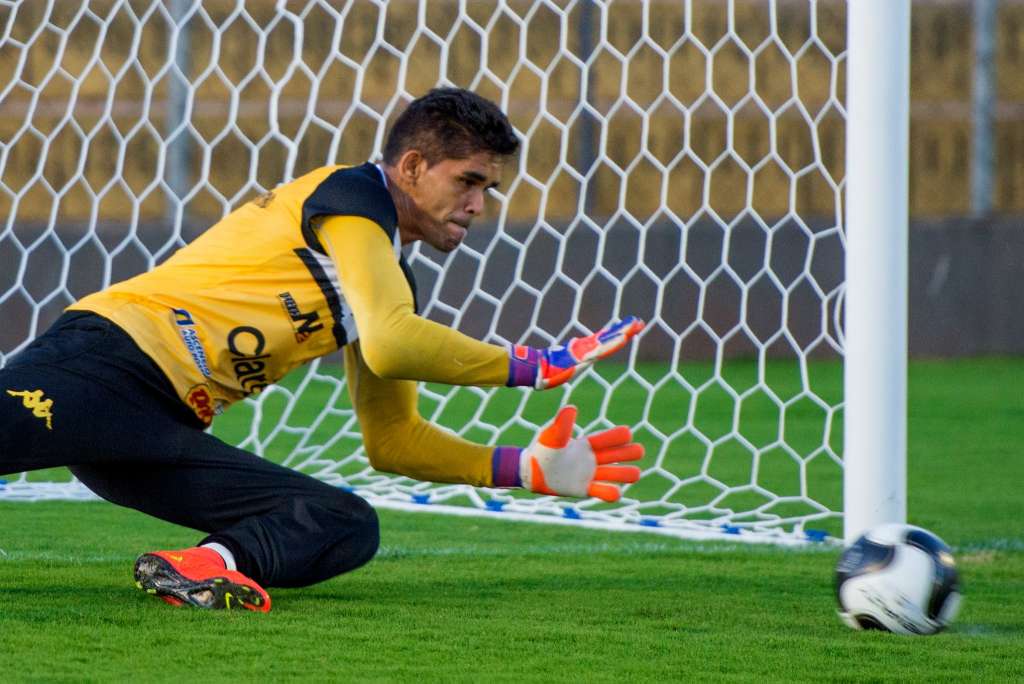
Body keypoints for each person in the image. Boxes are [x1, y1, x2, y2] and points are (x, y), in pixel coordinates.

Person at [0, 88, 644, 612]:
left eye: (488, 191)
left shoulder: (386, 286)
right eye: (468, 181)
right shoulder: (352, 196)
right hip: (106, 363)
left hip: (157, 430)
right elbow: (393, 345)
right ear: (414, 166)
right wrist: (533, 366)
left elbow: (392, 441)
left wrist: (518, 468)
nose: (477, 205)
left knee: (343, 522)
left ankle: (203, 566)